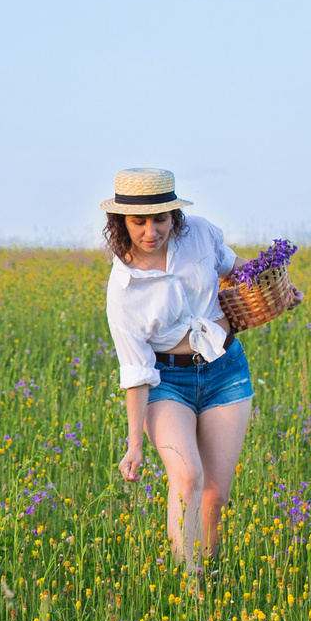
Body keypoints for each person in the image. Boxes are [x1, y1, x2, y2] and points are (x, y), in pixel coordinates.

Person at [100, 166, 252, 573]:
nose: (151, 231)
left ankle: (210, 573)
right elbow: (136, 372)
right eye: (139, 222)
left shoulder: (200, 234)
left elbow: (240, 269)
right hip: (169, 382)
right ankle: (191, 591)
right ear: (121, 223)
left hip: (225, 371)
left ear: (174, 216)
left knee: (216, 495)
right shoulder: (122, 290)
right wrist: (134, 444)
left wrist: (279, 282)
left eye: (160, 219)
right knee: (186, 478)